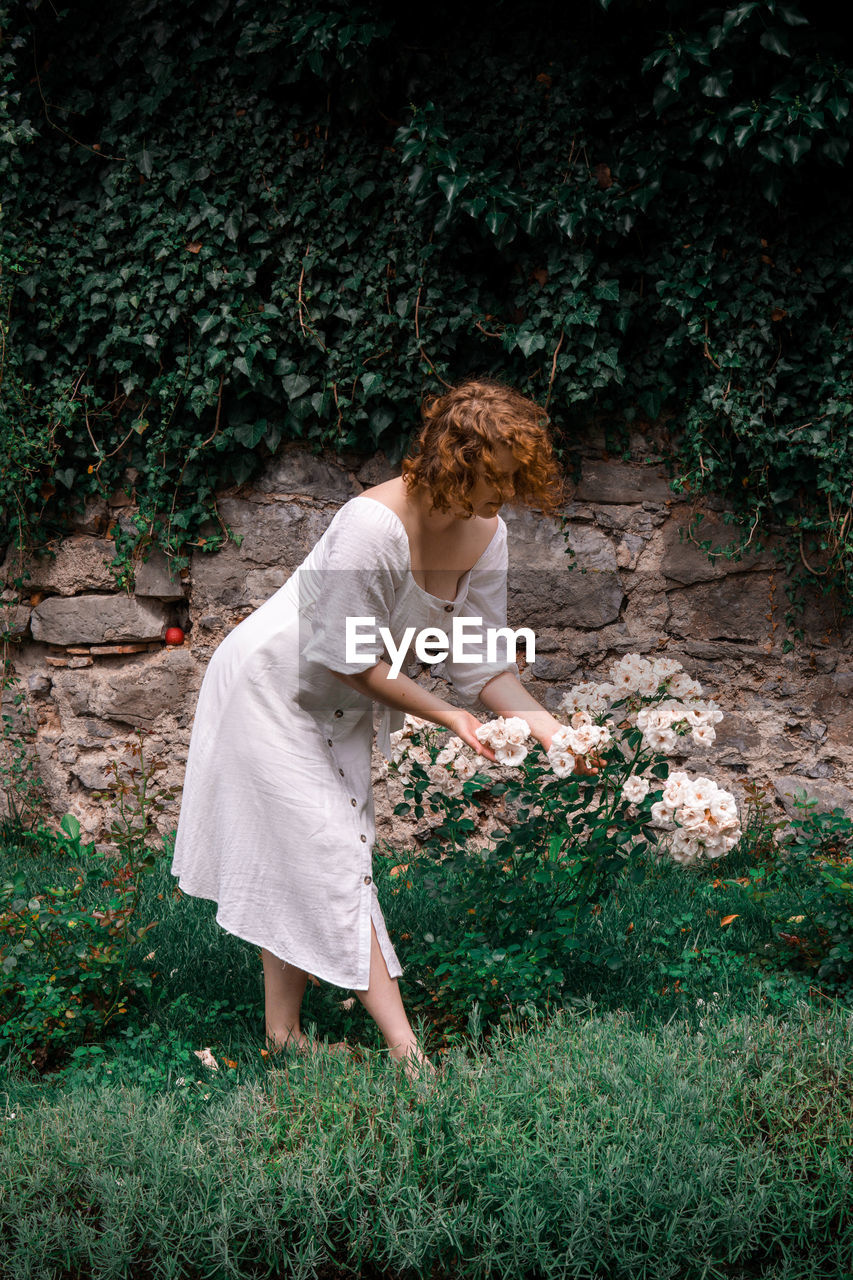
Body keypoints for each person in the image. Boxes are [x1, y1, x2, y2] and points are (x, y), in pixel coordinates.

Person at [169, 376, 601, 1085]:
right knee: (329, 852)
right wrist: (447, 716)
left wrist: (552, 732)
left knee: (307, 855)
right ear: (452, 461)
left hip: (333, 705)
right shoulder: (371, 525)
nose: (506, 492)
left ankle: (283, 1037)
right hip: (268, 690)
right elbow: (347, 658)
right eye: (493, 477)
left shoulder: (488, 530)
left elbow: (478, 658)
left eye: (515, 478)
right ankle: (410, 1057)